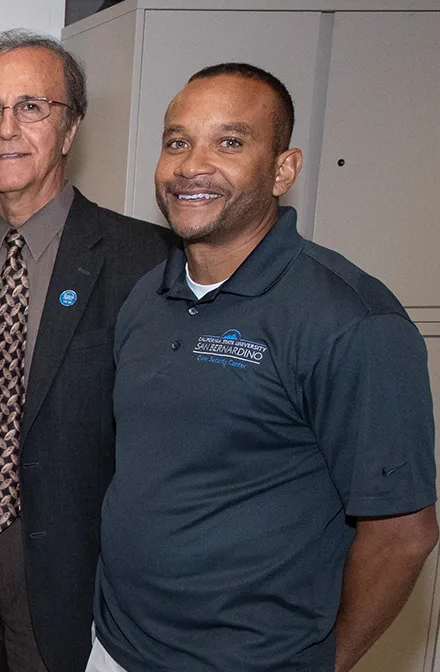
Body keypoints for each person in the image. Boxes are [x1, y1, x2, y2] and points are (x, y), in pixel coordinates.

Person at [93, 63, 437, 672]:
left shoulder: (349, 321)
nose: (193, 165)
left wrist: (323, 661)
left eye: (230, 142)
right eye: (178, 142)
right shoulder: (147, 296)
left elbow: (403, 533)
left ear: (284, 169)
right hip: (117, 648)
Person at [0, 30, 176, 672]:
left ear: (70, 130)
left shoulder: (145, 263)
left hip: (75, 563)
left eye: (32, 107)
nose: (7, 129)